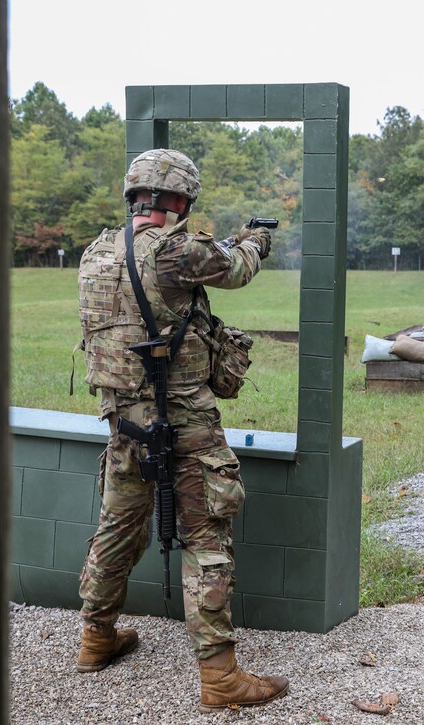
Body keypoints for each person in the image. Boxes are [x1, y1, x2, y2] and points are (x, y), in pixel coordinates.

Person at [74, 148, 288, 712]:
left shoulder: (96, 253)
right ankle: (220, 676)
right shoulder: (173, 253)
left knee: (116, 531)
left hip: (124, 424)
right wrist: (255, 240)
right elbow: (236, 267)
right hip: (184, 425)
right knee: (206, 539)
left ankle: (96, 637)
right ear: (179, 199)